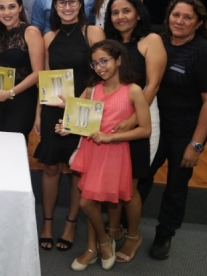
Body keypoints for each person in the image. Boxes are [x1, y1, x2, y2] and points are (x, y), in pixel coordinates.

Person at [138, 0, 207, 260]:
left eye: (187, 17)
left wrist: (196, 145)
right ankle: (127, 225)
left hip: (185, 129)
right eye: (176, 15)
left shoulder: (203, 50)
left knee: (176, 184)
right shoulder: (158, 40)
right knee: (141, 174)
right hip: (155, 124)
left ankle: (165, 234)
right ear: (168, 17)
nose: (180, 21)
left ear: (198, 23)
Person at [65, 40, 151, 271]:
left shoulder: (132, 90)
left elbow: (145, 129)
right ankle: (97, 246)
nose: (100, 67)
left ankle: (103, 242)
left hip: (114, 152)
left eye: (104, 61)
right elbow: (78, 119)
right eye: (95, 63)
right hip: (91, 151)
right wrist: (67, 126)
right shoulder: (93, 89)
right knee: (91, 199)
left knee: (87, 201)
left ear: (119, 60)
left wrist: (110, 137)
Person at [33, 0, 104, 251]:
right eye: (61, 2)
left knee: (77, 168)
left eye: (72, 1)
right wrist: (40, 111)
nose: (67, 7)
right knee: (51, 167)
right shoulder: (49, 36)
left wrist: (75, 104)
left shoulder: (93, 32)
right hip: (53, 108)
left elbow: (101, 74)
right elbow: (46, 77)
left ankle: (71, 223)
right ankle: (48, 222)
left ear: (81, 4)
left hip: (83, 108)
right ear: (54, 6)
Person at [102, 0, 167, 263]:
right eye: (115, 12)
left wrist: (133, 118)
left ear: (138, 13)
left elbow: (153, 84)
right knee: (114, 180)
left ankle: (133, 236)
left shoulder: (151, 40)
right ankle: (114, 229)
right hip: (112, 117)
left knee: (130, 184)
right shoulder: (110, 45)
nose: (120, 17)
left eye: (126, 11)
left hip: (142, 116)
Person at [0, 0, 44, 142]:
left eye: (11, 7)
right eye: (1, 8)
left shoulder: (30, 32)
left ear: (20, 8)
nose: (6, 12)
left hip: (21, 101)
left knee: (13, 147)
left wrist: (10, 92)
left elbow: (38, 72)